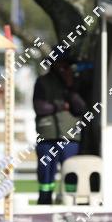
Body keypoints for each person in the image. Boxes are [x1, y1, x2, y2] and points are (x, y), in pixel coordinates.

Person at [33, 56, 86, 204]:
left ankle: (71, 203)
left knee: (71, 173)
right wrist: (60, 106)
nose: (63, 68)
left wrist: (70, 87)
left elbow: (80, 107)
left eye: (66, 65)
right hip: (47, 136)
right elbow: (40, 107)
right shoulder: (42, 82)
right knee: (45, 174)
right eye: (61, 64)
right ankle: (44, 201)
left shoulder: (76, 82)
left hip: (70, 138)